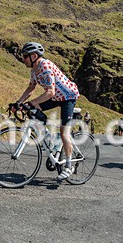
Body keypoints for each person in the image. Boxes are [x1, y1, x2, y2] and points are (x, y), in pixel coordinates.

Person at [13, 41, 80, 181]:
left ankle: (68, 166)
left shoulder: (45, 66)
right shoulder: (34, 70)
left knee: (64, 132)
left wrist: (30, 103)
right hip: (56, 96)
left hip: (68, 97)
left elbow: (50, 92)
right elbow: (31, 88)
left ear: (34, 55)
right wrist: (18, 103)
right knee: (32, 110)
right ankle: (51, 139)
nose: (23, 58)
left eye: (25, 56)